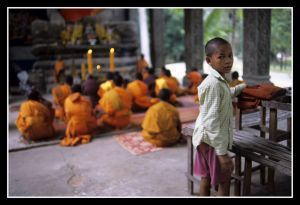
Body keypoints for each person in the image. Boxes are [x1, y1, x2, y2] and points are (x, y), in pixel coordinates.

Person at [192, 37, 246, 196]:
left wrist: (242, 87)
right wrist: (222, 154)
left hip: (205, 139)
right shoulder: (214, 84)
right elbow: (211, 122)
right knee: (224, 180)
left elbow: (226, 93)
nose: (227, 61)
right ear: (209, 60)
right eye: (221, 56)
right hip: (212, 142)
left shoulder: (219, 81)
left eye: (230, 55)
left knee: (206, 177)